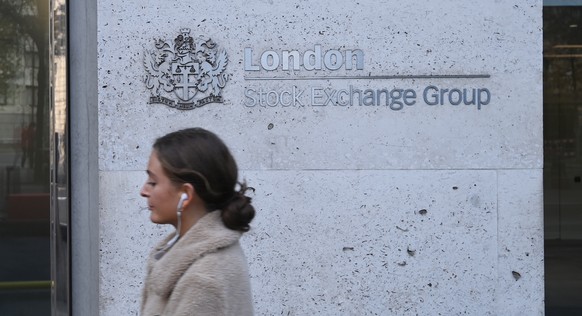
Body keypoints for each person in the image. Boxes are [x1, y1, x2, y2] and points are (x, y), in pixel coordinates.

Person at [140, 127, 255, 315]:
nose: (143, 191)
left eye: (153, 182)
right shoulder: (201, 256)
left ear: (186, 194)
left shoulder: (203, 280)